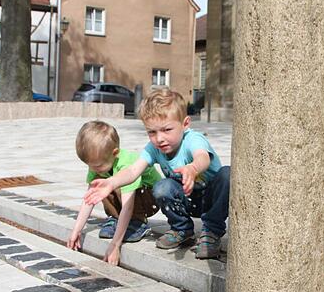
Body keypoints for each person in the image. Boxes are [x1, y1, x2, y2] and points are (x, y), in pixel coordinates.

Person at [83, 89, 230, 260]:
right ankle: (182, 229)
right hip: (187, 200)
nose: (159, 138)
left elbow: (202, 157)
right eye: (152, 132)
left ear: (185, 123)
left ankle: (211, 233)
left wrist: (193, 168)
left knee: (227, 174)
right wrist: (111, 182)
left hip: (211, 199)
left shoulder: (193, 139)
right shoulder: (154, 148)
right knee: (162, 186)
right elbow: (133, 170)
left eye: (167, 129)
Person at [68, 121, 161, 265]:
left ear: (115, 153)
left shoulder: (125, 164)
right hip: (126, 198)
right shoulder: (97, 166)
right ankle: (116, 217)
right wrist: (76, 230)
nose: (93, 169)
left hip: (149, 198)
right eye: (89, 165)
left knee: (115, 184)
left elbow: (128, 206)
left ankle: (138, 222)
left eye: (97, 166)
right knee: (99, 184)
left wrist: (115, 245)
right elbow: (89, 199)